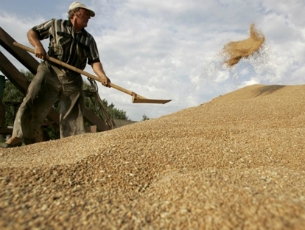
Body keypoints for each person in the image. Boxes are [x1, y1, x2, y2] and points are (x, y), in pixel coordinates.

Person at [0, 1, 111, 148]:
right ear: (75, 13)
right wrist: (38, 46)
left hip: (72, 77)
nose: (89, 18)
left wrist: (102, 75)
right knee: (33, 99)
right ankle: (17, 136)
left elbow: (95, 61)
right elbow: (32, 32)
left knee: (73, 112)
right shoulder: (55, 24)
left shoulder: (89, 39)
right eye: (86, 14)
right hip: (50, 71)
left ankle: (70, 144)